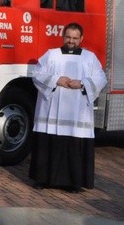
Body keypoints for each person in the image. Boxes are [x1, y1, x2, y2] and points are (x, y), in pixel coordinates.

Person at [29, 23, 107, 192]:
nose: (71, 41)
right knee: (48, 143)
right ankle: (43, 179)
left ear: (81, 39)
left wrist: (83, 83)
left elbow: (101, 77)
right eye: (68, 37)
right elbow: (36, 74)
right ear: (63, 36)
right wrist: (57, 79)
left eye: (75, 38)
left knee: (73, 143)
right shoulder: (51, 55)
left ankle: (73, 182)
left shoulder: (89, 58)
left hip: (77, 113)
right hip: (52, 111)